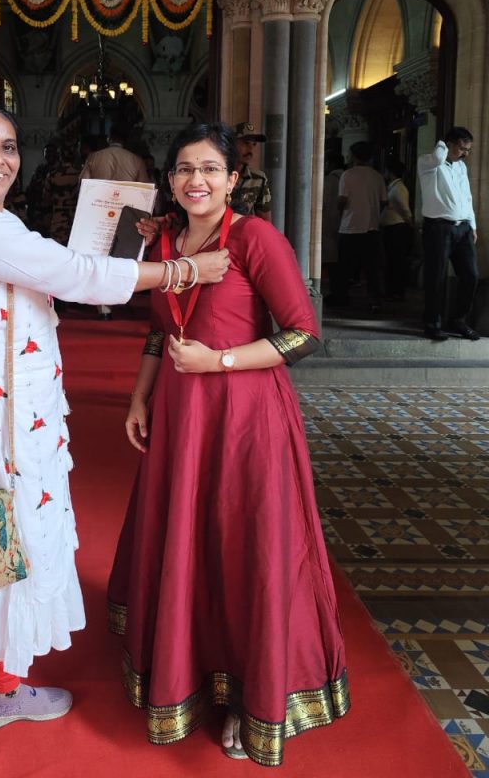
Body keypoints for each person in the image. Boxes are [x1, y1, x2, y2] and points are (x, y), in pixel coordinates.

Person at [0, 101, 229, 778]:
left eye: (9, 147)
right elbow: (76, 277)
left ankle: (4, 692)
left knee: (17, 552)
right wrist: (184, 269)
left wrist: (135, 235)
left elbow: (62, 262)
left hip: (16, 418)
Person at [107, 122, 349, 767]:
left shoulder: (255, 238)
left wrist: (223, 363)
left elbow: (303, 333)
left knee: (244, 546)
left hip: (246, 417)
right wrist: (138, 396)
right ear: (169, 180)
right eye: (184, 169)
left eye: (210, 168)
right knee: (190, 541)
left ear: (233, 179)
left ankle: (252, 695)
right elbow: (161, 332)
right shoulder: (163, 241)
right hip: (181, 417)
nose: (197, 180)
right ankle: (186, 669)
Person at [80, 124, 152, 319]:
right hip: (126, 213)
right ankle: (118, 297)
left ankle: (103, 307)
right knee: (121, 255)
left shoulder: (95, 157)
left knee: (99, 256)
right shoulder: (135, 159)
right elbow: (145, 190)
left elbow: (83, 184)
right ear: (125, 140)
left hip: (99, 211)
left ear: (110, 138)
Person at [417, 127, 480, 341]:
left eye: (468, 150)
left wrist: (472, 226)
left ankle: (458, 321)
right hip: (438, 228)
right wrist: (442, 145)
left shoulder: (461, 167)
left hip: (462, 228)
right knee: (437, 277)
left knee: (471, 275)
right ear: (448, 145)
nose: (465, 154)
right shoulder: (428, 163)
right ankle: (432, 323)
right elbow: (437, 158)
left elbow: (467, 196)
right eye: (462, 149)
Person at [332, 141, 387, 310]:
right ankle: (375, 301)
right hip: (372, 227)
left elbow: (342, 200)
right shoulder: (377, 176)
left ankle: (341, 297)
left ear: (354, 156)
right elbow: (384, 201)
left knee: (344, 266)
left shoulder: (348, 175)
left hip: (350, 226)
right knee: (372, 268)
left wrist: (341, 211)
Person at [381, 158, 413, 301]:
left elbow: (405, 210)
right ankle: (392, 289)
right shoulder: (393, 187)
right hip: (392, 228)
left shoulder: (399, 188)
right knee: (392, 260)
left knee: (396, 261)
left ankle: (397, 290)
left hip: (397, 228)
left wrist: (410, 223)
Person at [80, 123, 150, 184]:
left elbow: (83, 183)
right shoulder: (136, 160)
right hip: (126, 198)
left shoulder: (93, 157)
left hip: (100, 198)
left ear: (109, 137)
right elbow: (145, 188)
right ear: (126, 139)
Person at [229, 121, 272, 220]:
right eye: (246, 143)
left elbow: (265, 222)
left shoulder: (258, 179)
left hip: (242, 233)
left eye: (254, 144)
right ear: (230, 144)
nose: (250, 149)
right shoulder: (216, 175)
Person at [321, 151, 345, 303]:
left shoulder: (329, 180)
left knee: (332, 260)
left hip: (331, 222)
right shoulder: (347, 176)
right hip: (346, 223)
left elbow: (323, 204)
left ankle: (337, 292)